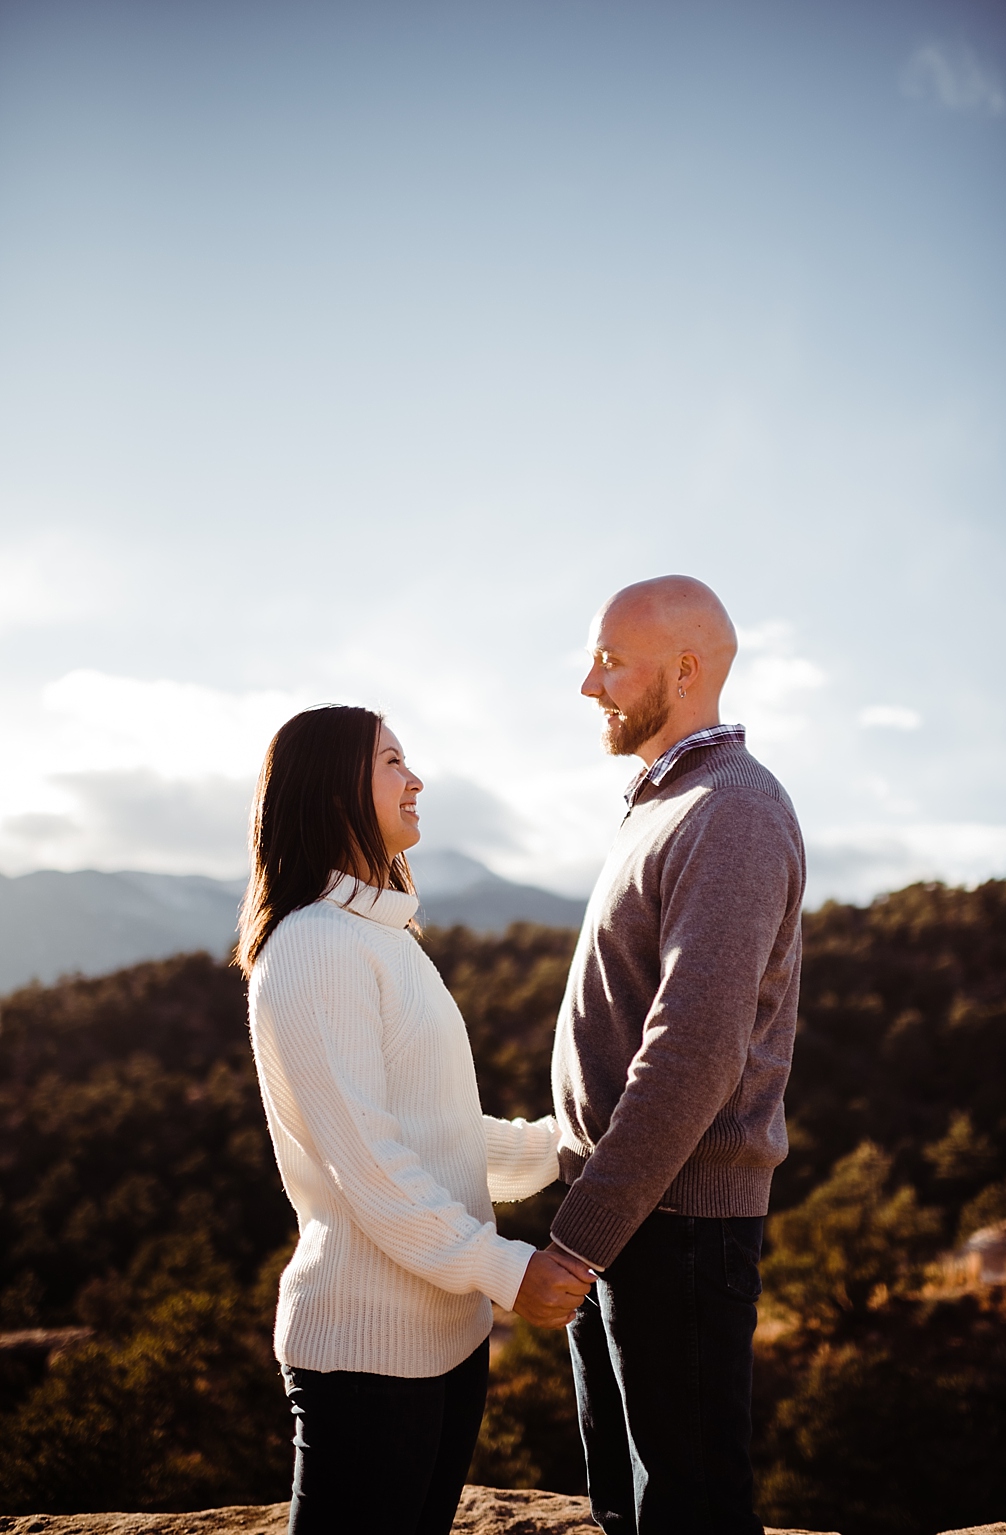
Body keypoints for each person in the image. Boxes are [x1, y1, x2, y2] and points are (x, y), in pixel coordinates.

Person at [239, 704, 594, 1535]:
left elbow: (441, 1131)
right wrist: (508, 1270)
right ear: (334, 791)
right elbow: (372, 1164)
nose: (416, 779)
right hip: (367, 1356)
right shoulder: (317, 944)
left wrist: (565, 1142)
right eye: (392, 761)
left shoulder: (383, 937)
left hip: (446, 1341)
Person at [547, 575, 806, 1535]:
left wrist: (580, 1238)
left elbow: (693, 1052)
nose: (589, 685)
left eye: (611, 661)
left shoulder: (732, 809)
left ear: (686, 670)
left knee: (687, 1513)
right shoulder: (667, 802)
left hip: (676, 1226)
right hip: (627, 1213)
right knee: (626, 1508)